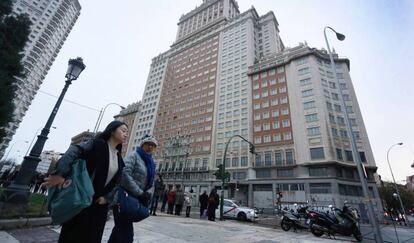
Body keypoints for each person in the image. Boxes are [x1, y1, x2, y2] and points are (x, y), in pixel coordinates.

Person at [42, 121, 128, 243]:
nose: (126, 134)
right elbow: (74, 150)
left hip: (99, 207)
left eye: (127, 132)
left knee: (93, 237)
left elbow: (117, 182)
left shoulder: (119, 158)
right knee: (72, 236)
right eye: (123, 130)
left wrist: (107, 198)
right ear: (112, 131)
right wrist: (61, 174)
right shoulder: (96, 144)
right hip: (81, 199)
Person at [108, 134, 158, 243]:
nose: (150, 147)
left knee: (119, 231)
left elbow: (152, 182)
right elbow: (124, 174)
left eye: (153, 146)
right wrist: (140, 193)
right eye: (148, 144)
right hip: (123, 200)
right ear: (142, 144)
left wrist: (148, 194)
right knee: (126, 236)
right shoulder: (134, 156)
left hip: (135, 201)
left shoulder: (153, 163)